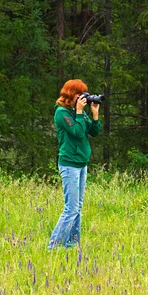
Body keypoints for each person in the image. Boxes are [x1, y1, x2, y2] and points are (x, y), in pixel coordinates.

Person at [48, 79, 101, 249]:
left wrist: (94, 114)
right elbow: (77, 133)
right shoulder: (62, 113)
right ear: (71, 94)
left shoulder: (78, 112)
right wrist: (79, 112)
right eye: (80, 94)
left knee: (77, 208)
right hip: (69, 164)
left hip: (81, 163)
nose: (83, 98)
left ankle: (71, 243)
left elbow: (93, 131)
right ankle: (54, 246)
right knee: (70, 208)